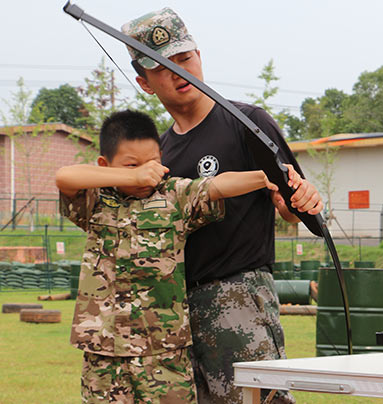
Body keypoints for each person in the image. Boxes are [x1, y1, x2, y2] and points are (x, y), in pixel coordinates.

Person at [121, 8, 322, 404]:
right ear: (145, 83)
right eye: (163, 66)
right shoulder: (159, 154)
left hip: (239, 297)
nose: (179, 71)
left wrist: (299, 200)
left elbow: (293, 203)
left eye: (184, 58)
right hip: (176, 309)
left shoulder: (247, 122)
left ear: (199, 55)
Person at [56, 109, 305, 404]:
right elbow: (65, 176)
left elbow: (216, 185)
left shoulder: (173, 196)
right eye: (132, 163)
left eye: (153, 162)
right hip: (104, 352)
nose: (146, 172)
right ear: (105, 165)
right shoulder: (96, 202)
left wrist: (268, 176)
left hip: (164, 351)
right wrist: (129, 175)